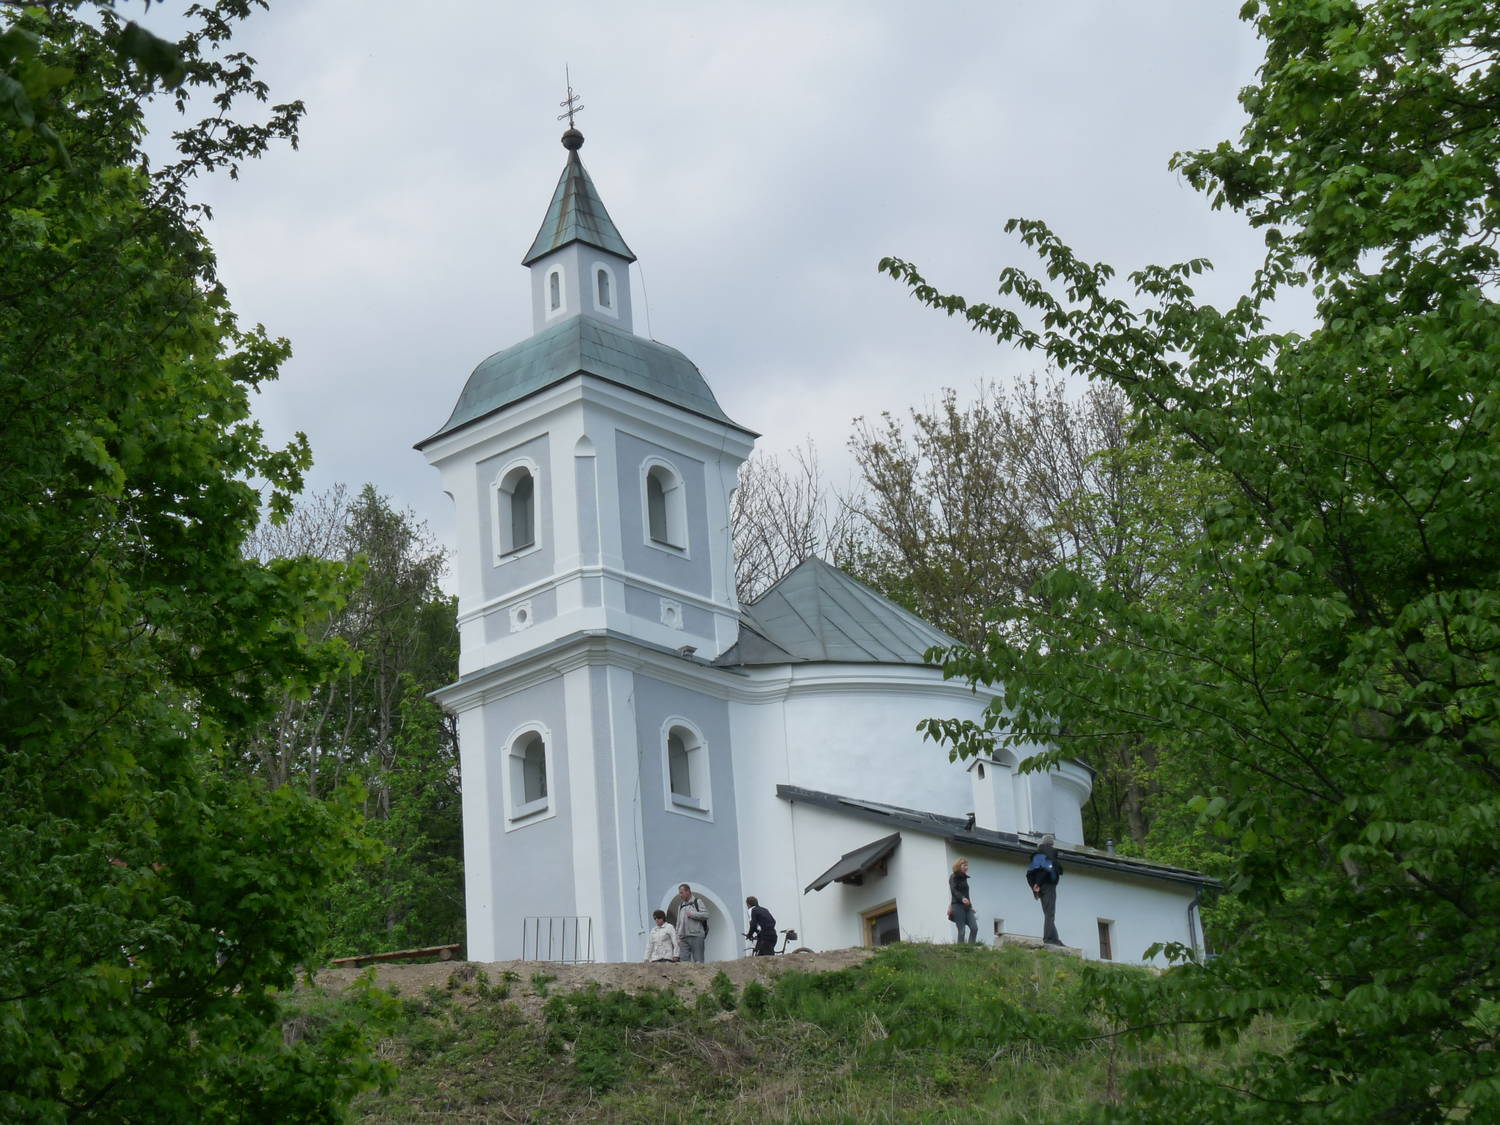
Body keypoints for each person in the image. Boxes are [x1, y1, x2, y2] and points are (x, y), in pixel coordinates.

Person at [1026, 834, 1065, 946]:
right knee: (1050, 913)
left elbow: (1028, 874)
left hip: (1041, 887)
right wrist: (1039, 883)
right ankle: (1049, 939)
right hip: (1048, 885)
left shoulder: (1037, 856)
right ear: (1051, 844)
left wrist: (1034, 886)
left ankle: (1055, 938)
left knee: (1048, 913)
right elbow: (1048, 869)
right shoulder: (1050, 853)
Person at [666, 883, 709, 962]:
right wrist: (677, 936)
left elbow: (706, 915)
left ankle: (699, 974)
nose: (680, 895)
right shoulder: (681, 906)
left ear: (688, 892)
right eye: (679, 893)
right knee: (684, 961)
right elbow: (678, 922)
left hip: (696, 935)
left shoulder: (697, 901)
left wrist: (693, 914)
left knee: (698, 961)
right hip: (683, 938)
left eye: (681, 892)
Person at [948, 858, 979, 943]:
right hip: (957, 906)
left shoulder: (964, 878)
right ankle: (961, 950)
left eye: (967, 865)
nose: (966, 867)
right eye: (964, 865)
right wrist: (962, 898)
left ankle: (970, 949)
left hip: (966, 907)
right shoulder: (953, 877)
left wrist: (970, 906)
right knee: (962, 931)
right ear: (959, 866)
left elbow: (967, 894)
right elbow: (954, 891)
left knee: (974, 928)